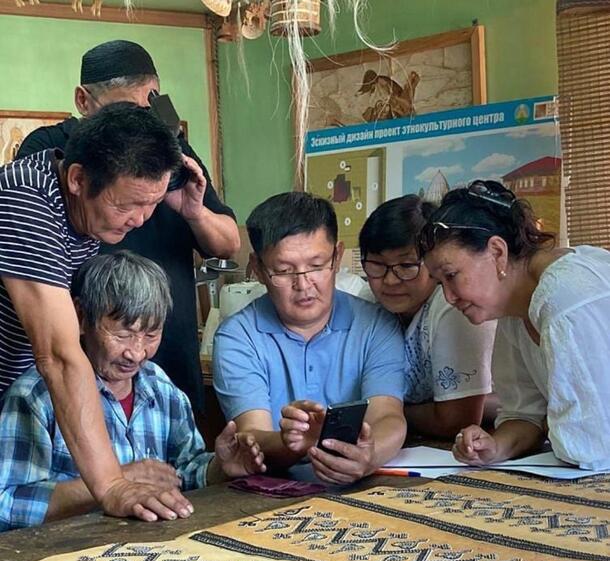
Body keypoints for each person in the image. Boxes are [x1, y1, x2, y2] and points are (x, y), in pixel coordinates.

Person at [16, 39, 240, 413]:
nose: (139, 217)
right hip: (91, 356)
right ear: (83, 101)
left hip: (166, 352)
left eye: (147, 108)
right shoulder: (49, 152)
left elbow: (228, 243)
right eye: (123, 110)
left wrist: (194, 212)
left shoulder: (169, 148)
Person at [0, 102, 197, 522]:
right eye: (127, 205)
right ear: (77, 178)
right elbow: (57, 354)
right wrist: (112, 485)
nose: (140, 220)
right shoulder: (25, 200)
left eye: (152, 205)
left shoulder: (85, 214)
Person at [0, 251, 264, 531]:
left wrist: (218, 469)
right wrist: (113, 485)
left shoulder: (161, 388)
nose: (137, 353)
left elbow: (181, 473)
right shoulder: (34, 398)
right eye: (123, 334)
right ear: (80, 317)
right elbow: (5, 503)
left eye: (151, 335)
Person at [213, 192, 407, 485]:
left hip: (363, 487)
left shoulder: (375, 326)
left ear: (337, 257)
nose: (303, 285)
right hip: (273, 494)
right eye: (283, 270)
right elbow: (251, 435)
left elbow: (389, 417)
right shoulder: (238, 337)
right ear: (258, 269)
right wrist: (291, 441)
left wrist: (368, 456)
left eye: (316, 266)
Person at [419, 179, 610, 470]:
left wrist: (551, 423)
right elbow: (524, 414)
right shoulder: (514, 308)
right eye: (439, 283)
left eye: (451, 275)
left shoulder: (565, 296)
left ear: (497, 252)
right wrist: (494, 446)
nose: (448, 296)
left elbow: (589, 445)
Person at [359, 196, 496, 438]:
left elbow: (456, 421)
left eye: (406, 265)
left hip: (491, 437)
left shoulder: (453, 306)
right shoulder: (369, 303)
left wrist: (385, 414)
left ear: (433, 264)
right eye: (377, 265)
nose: (390, 280)